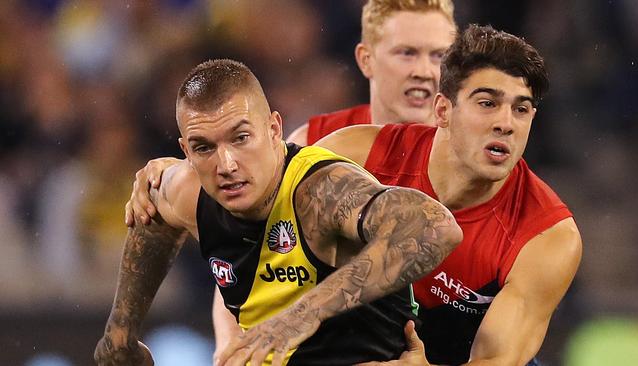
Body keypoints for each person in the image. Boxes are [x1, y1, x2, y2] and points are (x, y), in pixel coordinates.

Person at [129, 26, 583, 365]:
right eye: (488, 103)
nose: (506, 122)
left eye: (521, 109)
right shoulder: (353, 152)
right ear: (442, 109)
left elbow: (494, 362)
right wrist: (172, 174)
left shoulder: (546, 237)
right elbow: (249, 212)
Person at [94, 59, 462, 366]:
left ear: (274, 129)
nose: (226, 164)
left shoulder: (320, 191)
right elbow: (154, 219)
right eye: (203, 147)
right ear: (185, 151)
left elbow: (436, 228)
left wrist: (301, 316)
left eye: (241, 138)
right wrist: (121, 334)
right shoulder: (183, 190)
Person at [287, 0, 457, 145]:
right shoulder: (314, 144)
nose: (424, 71)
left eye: (439, 55)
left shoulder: (471, 151)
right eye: (407, 53)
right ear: (366, 60)